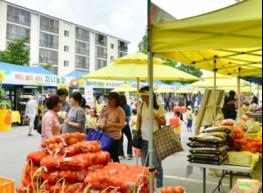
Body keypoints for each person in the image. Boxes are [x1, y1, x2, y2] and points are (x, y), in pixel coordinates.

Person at [137, 86, 166, 188]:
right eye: (141, 95)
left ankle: (159, 186)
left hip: (154, 137)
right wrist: (137, 131)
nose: (141, 97)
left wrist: (156, 116)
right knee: (144, 164)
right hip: (144, 138)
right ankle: (147, 185)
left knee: (156, 163)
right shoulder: (141, 105)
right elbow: (139, 119)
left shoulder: (159, 105)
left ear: (149, 95)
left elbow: (163, 122)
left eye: (143, 95)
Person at [98, 92, 126, 162]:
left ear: (114, 101)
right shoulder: (105, 108)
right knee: (106, 156)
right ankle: (108, 171)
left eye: (109, 100)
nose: (108, 101)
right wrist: (100, 124)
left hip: (115, 137)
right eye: (107, 99)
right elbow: (100, 119)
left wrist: (112, 124)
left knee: (114, 156)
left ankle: (118, 171)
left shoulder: (120, 110)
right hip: (105, 136)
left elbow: (122, 125)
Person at [118, 95, 133, 160]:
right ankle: (129, 154)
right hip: (125, 124)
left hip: (118, 125)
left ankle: (121, 155)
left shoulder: (117, 107)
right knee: (129, 138)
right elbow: (128, 117)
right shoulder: (127, 106)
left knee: (120, 140)